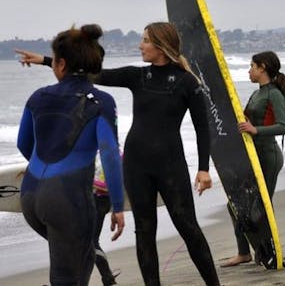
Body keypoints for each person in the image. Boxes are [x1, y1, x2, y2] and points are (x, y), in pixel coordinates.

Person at [16, 22, 220, 286]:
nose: (140, 45)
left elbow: (203, 128)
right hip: (136, 164)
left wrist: (203, 168)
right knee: (144, 232)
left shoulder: (187, 82)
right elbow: (90, 76)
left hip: (171, 164)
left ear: (161, 46)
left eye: (145, 40)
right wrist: (47, 61)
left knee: (189, 228)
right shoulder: (139, 76)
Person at [16, 24, 125, 286]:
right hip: (67, 199)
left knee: (80, 258)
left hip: (30, 197)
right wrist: (118, 206)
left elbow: (23, 144)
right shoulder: (101, 102)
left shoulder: (38, 97)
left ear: (61, 64)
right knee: (68, 276)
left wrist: (46, 171)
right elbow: (110, 155)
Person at [221, 51, 285, 267]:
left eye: (252, 66)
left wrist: (255, 129)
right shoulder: (257, 94)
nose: (249, 70)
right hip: (254, 157)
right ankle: (244, 253)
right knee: (235, 204)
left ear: (262, 68)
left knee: (261, 208)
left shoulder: (274, 94)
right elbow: (249, 119)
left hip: (269, 158)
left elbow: (282, 127)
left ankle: (268, 252)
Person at [93, 154, 121, 285]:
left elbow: (108, 186)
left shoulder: (114, 154)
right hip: (91, 200)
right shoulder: (94, 149)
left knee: (91, 242)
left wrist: (86, 180)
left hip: (100, 201)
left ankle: (108, 277)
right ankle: (108, 277)